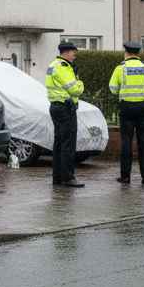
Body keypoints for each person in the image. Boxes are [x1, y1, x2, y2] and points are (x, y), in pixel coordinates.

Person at [109, 41, 144, 185]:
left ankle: (125, 177)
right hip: (143, 108)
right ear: (138, 53)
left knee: (126, 142)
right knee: (143, 142)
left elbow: (112, 88)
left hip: (127, 108)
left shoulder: (120, 68)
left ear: (127, 53)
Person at [46, 41, 85, 187]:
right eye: (73, 52)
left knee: (59, 144)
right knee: (68, 144)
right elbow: (75, 89)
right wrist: (80, 83)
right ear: (66, 52)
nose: (75, 55)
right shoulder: (63, 67)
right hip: (65, 108)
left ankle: (58, 177)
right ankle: (68, 177)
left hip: (56, 106)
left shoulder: (53, 65)